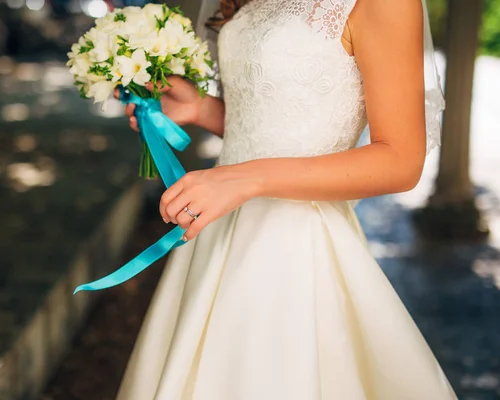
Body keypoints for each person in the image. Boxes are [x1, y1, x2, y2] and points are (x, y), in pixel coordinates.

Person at [114, 0, 456, 398]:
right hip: (217, 236)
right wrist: (201, 109)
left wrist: (244, 179)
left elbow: (400, 160)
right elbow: (273, 123)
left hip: (295, 251)